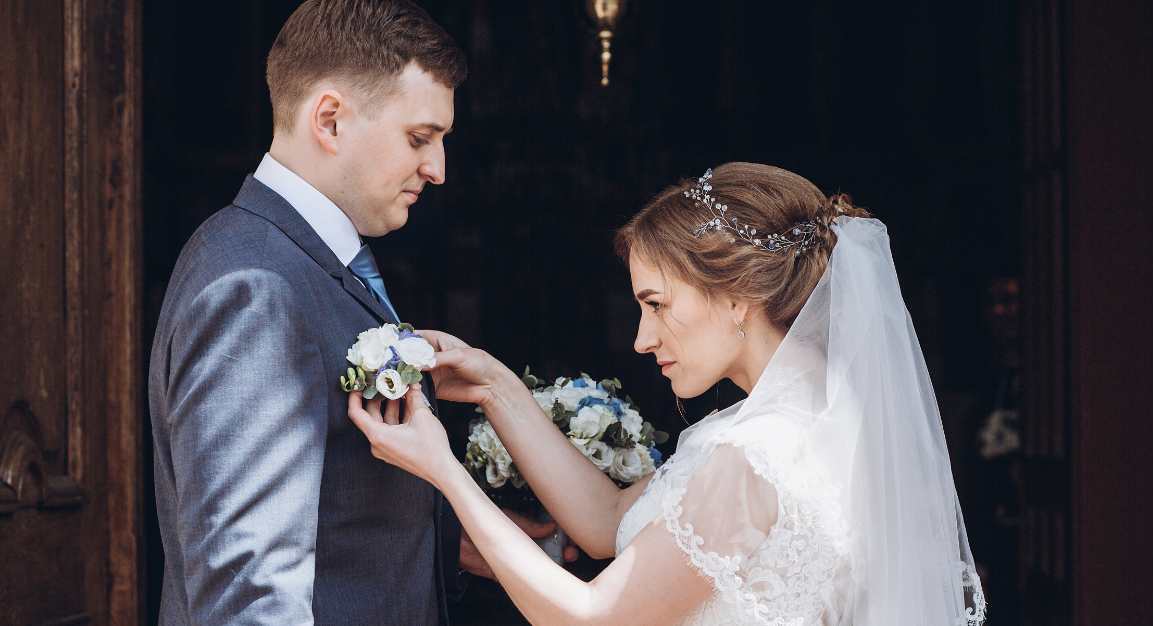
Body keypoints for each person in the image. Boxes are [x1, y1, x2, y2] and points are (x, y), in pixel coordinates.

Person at [349, 162, 988, 624]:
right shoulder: (819, 419)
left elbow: (591, 617)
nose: (641, 339)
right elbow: (609, 522)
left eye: (656, 305)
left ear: (738, 297)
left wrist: (442, 470)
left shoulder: (753, 454)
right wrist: (495, 386)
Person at [148, 2, 562, 623]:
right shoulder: (254, 288)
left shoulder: (311, 261)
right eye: (420, 138)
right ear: (331, 119)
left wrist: (457, 541)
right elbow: (250, 593)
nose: (439, 169)